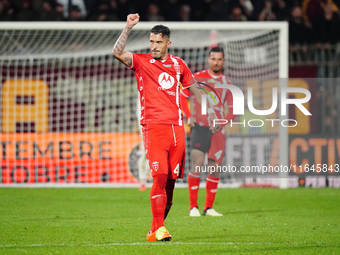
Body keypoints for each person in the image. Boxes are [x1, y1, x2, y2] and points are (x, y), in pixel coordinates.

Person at [112, 13, 219, 242]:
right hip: (153, 128)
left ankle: (155, 230)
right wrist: (128, 27)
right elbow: (117, 53)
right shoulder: (141, 62)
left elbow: (194, 88)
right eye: (151, 41)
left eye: (158, 42)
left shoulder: (179, 64)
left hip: (177, 130)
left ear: (168, 43)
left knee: (170, 185)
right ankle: (160, 230)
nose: (154, 46)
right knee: (159, 177)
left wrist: (209, 110)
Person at [180, 46, 235, 217]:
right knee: (197, 162)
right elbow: (182, 96)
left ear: (223, 61)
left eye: (219, 59)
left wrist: (223, 122)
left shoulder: (228, 84)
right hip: (200, 127)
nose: (216, 62)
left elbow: (233, 109)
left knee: (214, 167)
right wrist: (189, 116)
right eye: (213, 59)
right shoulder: (197, 78)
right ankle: (193, 207)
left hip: (218, 130)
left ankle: (208, 207)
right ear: (208, 60)